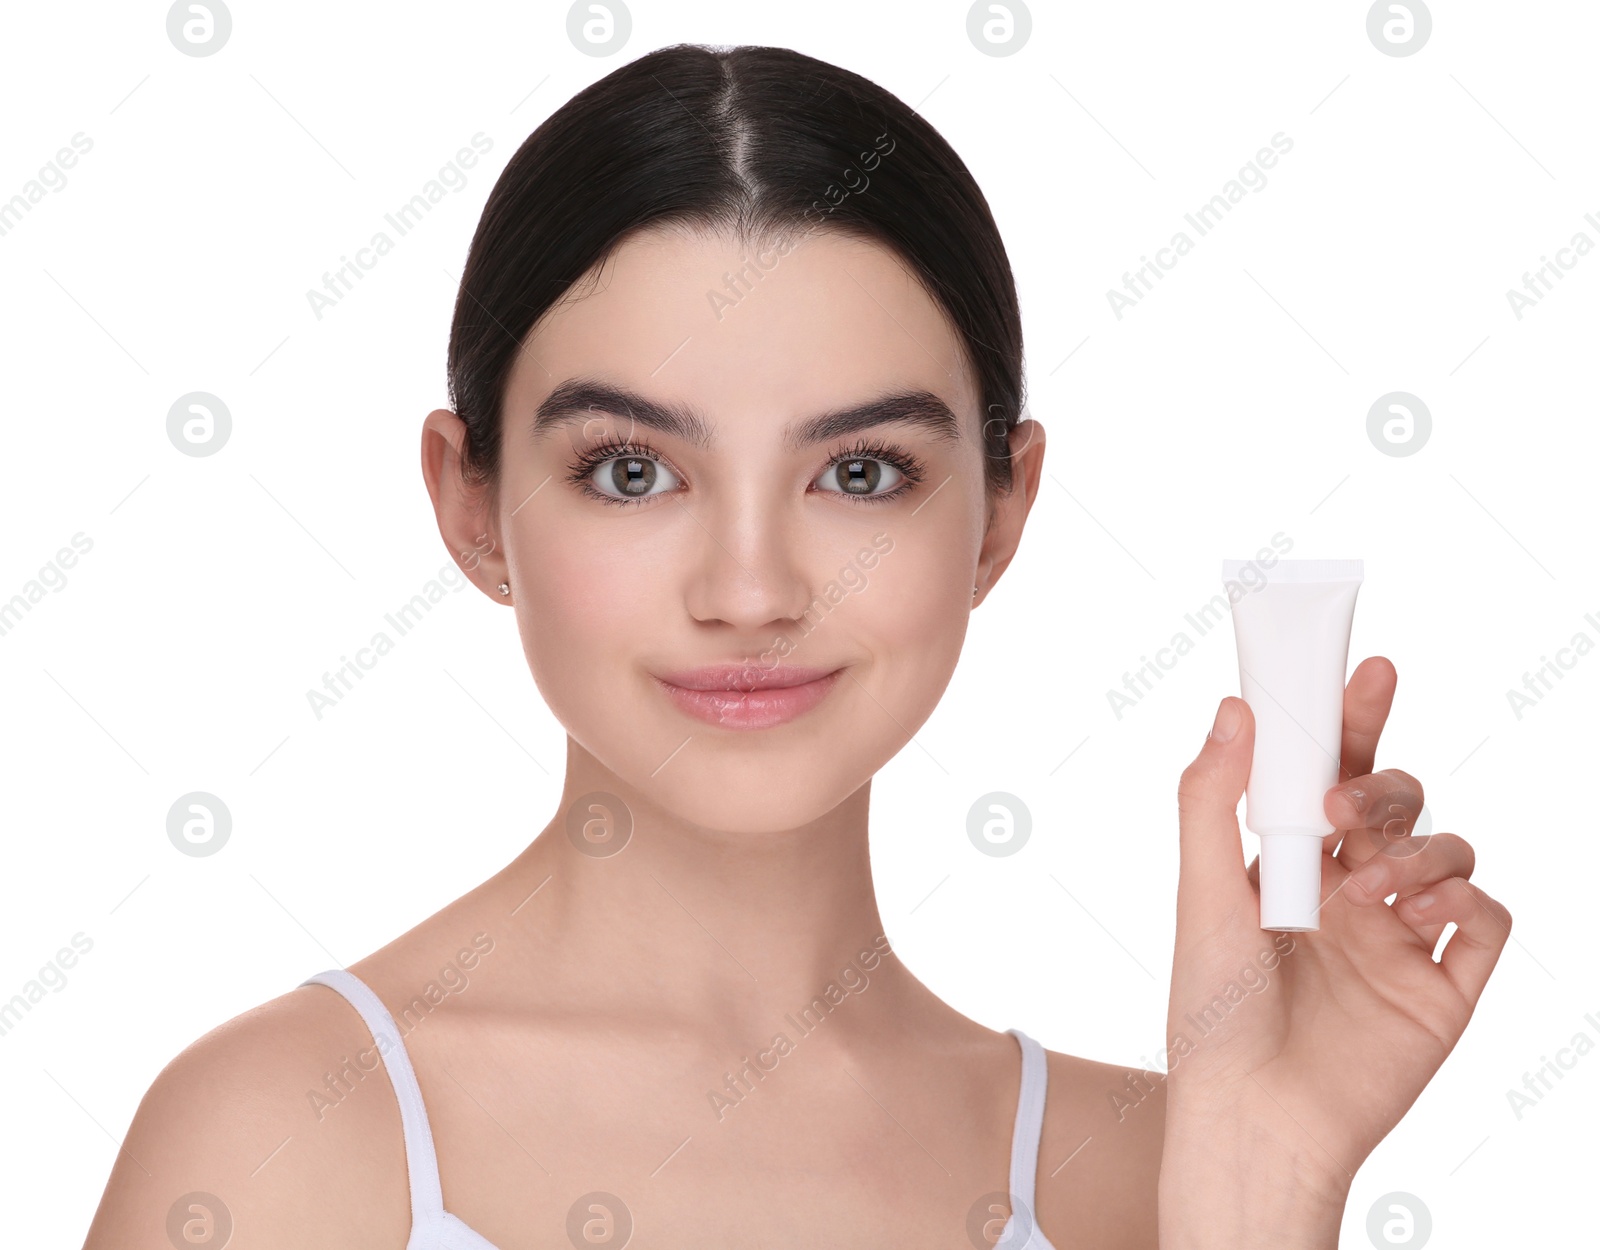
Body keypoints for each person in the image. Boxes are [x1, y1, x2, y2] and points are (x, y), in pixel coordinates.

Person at [81, 42, 1511, 1250]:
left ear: (1001, 513)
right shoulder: (278, 1145)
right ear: (473, 504)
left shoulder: (1146, 1169)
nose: (752, 589)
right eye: (633, 470)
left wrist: (1262, 1182)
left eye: (863, 472)